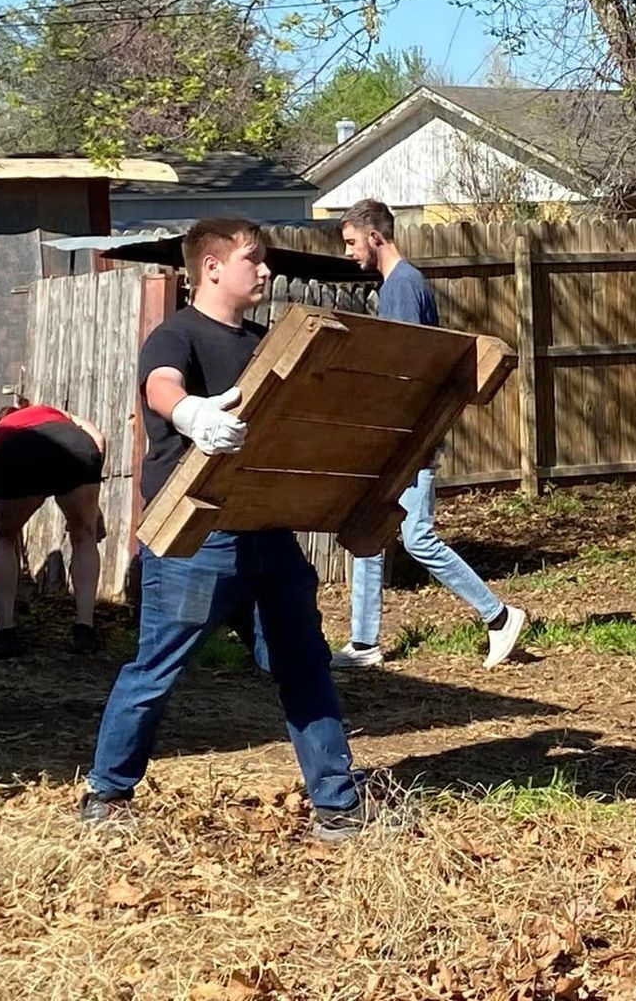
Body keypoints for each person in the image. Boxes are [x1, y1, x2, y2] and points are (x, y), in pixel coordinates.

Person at [80, 217, 384, 840]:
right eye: (254, 259)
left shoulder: (265, 343)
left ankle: (336, 805)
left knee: (303, 661)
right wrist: (189, 411)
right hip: (197, 536)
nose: (267, 270)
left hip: (266, 528)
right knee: (158, 667)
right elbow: (160, 385)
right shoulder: (177, 335)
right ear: (212, 267)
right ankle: (106, 795)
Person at [332, 198, 527, 671]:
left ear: (375, 237)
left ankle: (499, 616)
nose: (349, 253)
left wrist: (389, 432)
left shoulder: (402, 287)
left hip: (410, 437)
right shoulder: (403, 283)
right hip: (403, 434)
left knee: (417, 537)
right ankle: (364, 642)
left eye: (352, 243)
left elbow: (405, 372)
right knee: (369, 530)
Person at [0, 399, 108, 658]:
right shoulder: (53, 411)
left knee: (2, 540)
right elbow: (98, 438)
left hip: (18, 453)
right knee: (84, 538)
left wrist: (6, 530)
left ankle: (5, 633)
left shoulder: (0, 435)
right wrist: (89, 505)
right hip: (75, 446)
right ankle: (85, 629)